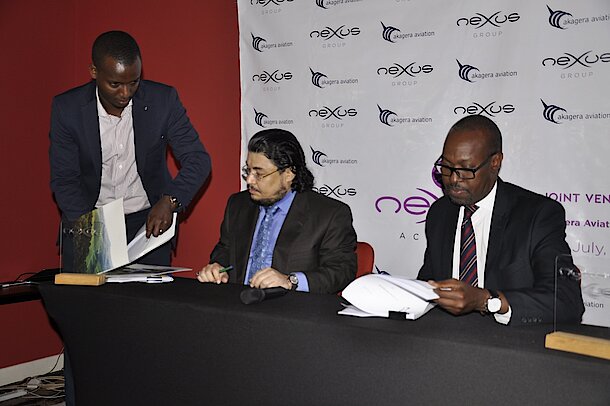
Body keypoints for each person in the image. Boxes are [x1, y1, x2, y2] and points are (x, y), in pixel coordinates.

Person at [49, 31, 210, 271]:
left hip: (147, 224)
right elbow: (65, 179)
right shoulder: (68, 109)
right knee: (88, 296)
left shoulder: (163, 101)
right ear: (94, 72)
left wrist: (170, 201)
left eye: (133, 82)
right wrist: (92, 232)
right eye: (115, 84)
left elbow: (198, 159)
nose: (125, 93)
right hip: (89, 219)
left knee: (148, 297)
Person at [418, 115, 584, 325]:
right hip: (444, 337)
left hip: (511, 340)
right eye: (446, 166)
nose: (453, 179)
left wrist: (487, 301)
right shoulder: (440, 213)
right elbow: (428, 284)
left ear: (495, 162)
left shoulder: (538, 215)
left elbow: (567, 301)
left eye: (466, 169)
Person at [197, 128, 357, 294]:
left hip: (291, 306)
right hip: (237, 301)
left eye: (259, 174)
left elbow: (342, 271)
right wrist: (218, 267)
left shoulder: (329, 214)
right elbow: (225, 249)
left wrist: (291, 281)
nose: (250, 180)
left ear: (288, 174)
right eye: (248, 171)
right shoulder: (238, 204)